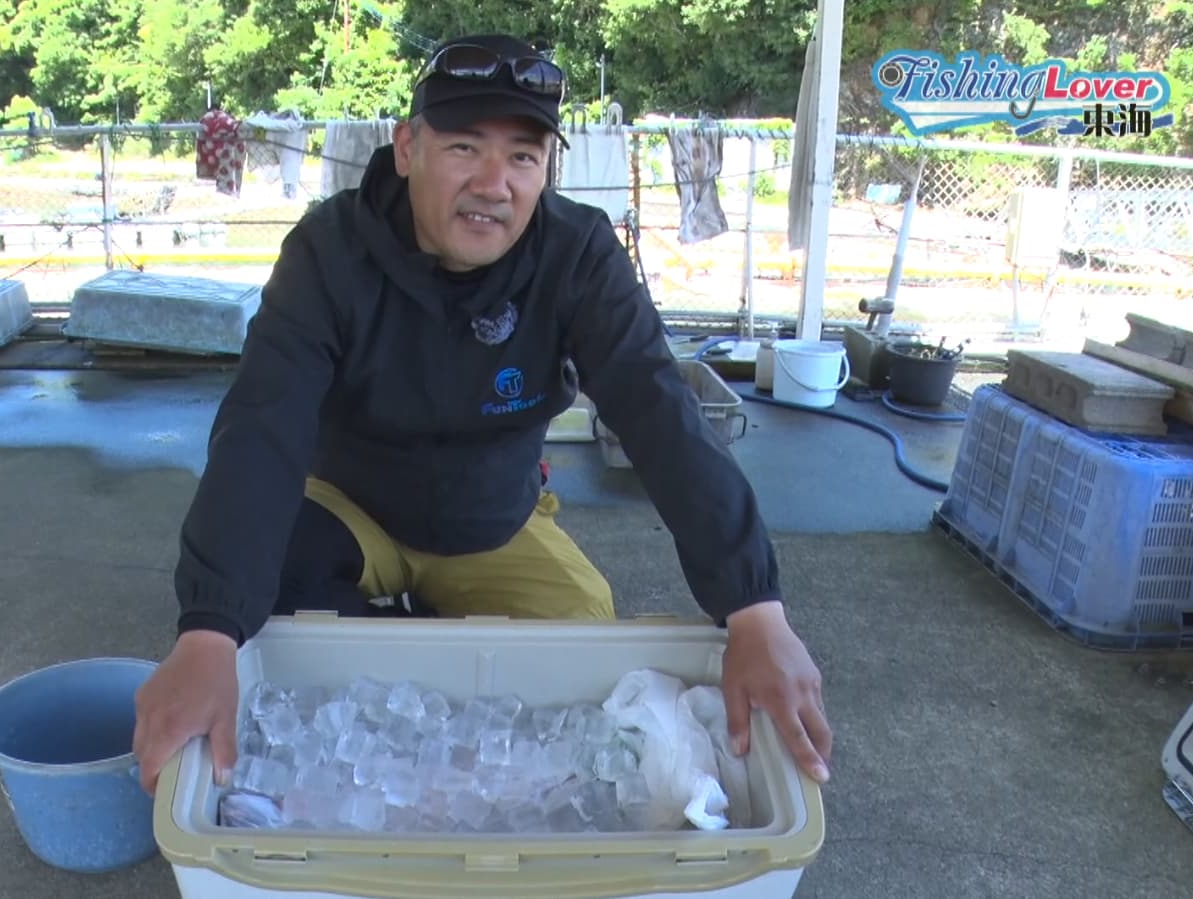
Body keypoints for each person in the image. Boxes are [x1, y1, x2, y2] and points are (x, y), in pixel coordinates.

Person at [133, 33, 832, 796]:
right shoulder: (327, 252)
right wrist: (206, 626)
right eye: (465, 147)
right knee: (257, 612)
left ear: (545, 172)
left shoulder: (579, 256)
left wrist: (755, 608)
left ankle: (416, 641)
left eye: (524, 157)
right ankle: (409, 654)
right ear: (407, 148)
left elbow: (658, 408)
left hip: (495, 516)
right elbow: (260, 429)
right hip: (352, 504)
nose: (495, 183)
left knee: (584, 656)